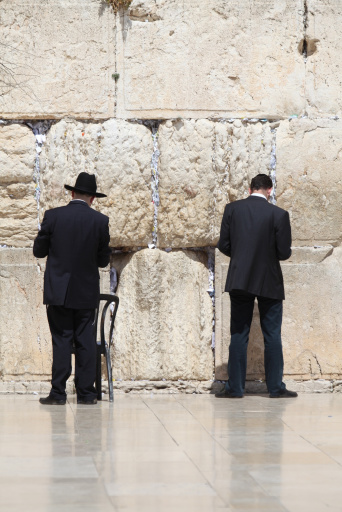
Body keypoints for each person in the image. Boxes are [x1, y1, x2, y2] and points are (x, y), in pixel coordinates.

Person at [216, 174, 297, 399]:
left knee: (238, 334)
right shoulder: (279, 214)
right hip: (268, 279)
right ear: (270, 190)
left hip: (240, 279)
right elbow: (283, 252)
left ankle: (235, 388)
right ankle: (275, 388)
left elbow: (223, 244)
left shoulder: (232, 209)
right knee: (272, 334)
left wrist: (242, 256)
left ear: (250, 188)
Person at [33, 172, 111, 405]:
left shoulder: (53, 216)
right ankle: (87, 393)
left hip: (59, 291)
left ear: (72, 192)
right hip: (86, 292)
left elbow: (38, 251)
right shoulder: (100, 221)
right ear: (93, 198)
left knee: (62, 340)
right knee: (85, 341)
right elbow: (102, 261)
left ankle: (58, 393)